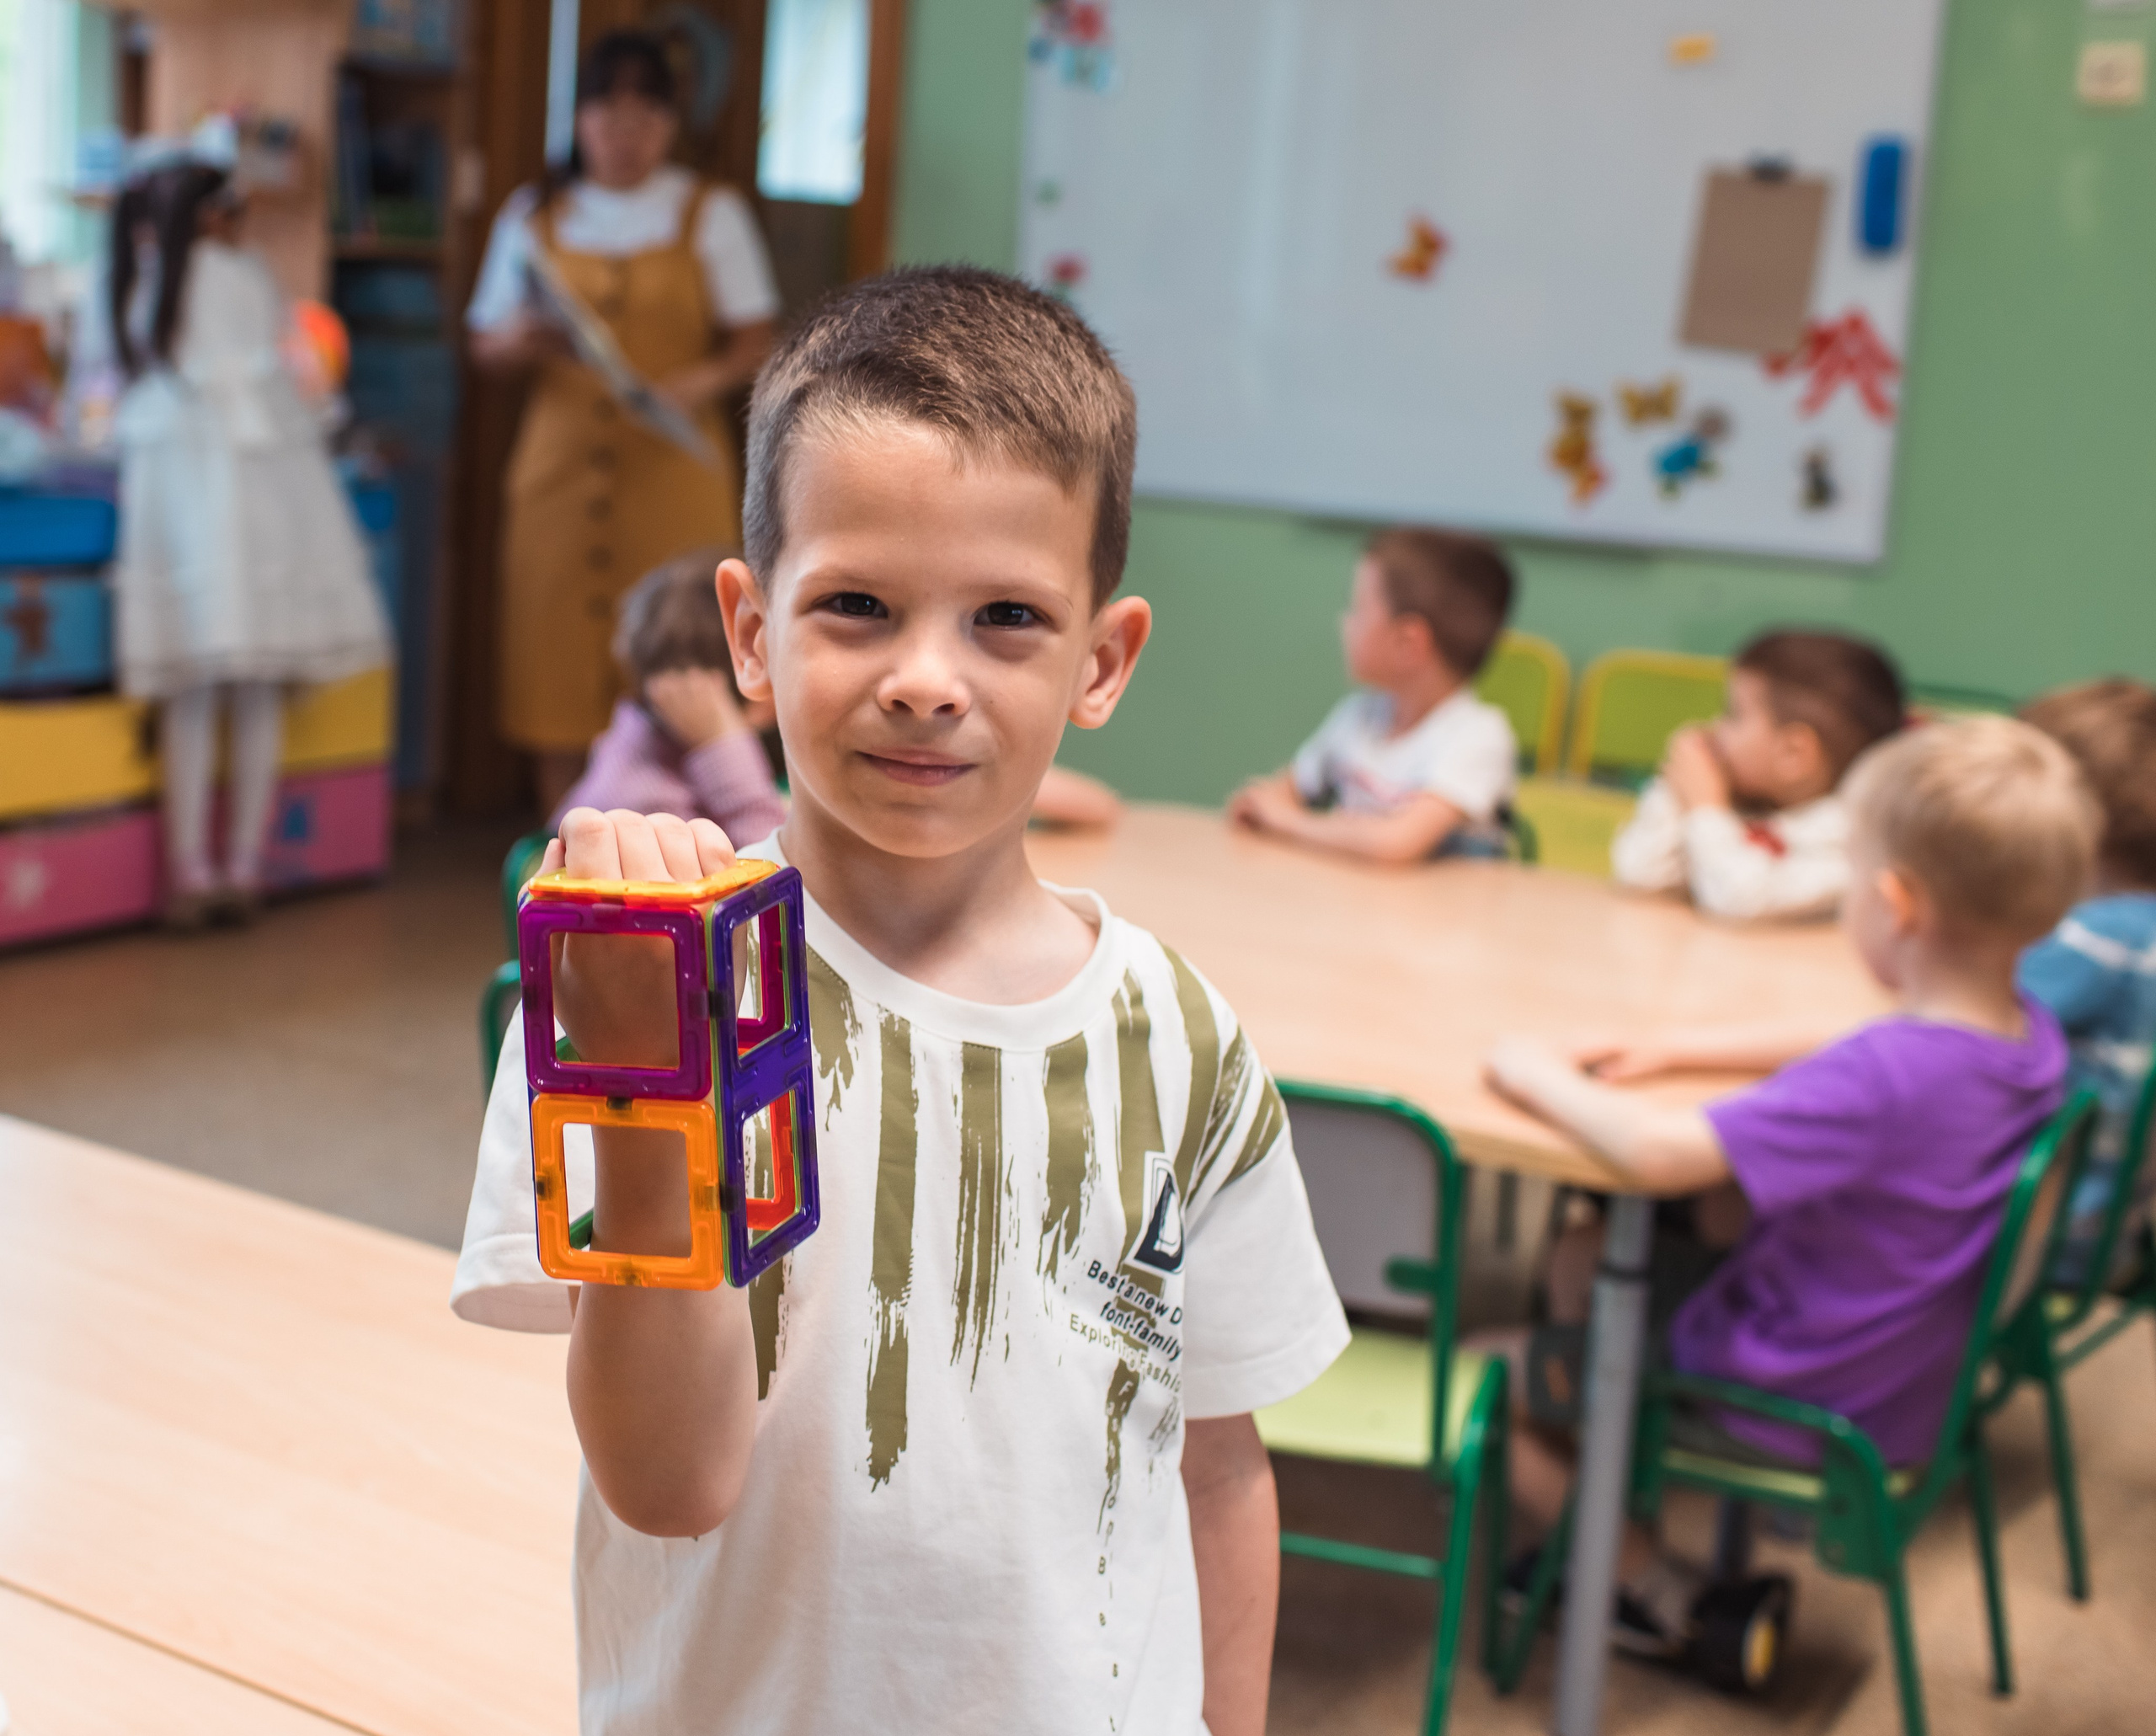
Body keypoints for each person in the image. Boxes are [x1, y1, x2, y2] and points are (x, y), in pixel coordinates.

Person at [451, 267, 1348, 1736]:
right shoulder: (638, 988)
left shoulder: (1179, 1043)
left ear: (1102, 659)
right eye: (857, 606)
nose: (927, 680)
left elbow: (1216, 1463)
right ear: (751, 633)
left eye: (1006, 618)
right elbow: (668, 1482)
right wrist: (645, 1061)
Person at [1483, 716, 2095, 1647]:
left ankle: (1653, 1588)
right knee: (1581, 1254)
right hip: (1897, 1374)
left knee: (1485, 1380)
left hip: (1789, 1384)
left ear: (1892, 903)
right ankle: (1616, 1473)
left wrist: (1532, 1070)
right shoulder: (2022, 1034)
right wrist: (1680, 1046)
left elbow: (1657, 1155)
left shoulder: (1888, 1078)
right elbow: (1864, 1047)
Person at [468, 29, 781, 817]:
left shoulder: (710, 211)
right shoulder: (534, 215)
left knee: (688, 649)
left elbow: (757, 340)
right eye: (609, 108)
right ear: (580, 119)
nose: (626, 128)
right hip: (557, 470)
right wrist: (524, 339)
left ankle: (699, 843)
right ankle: (564, 844)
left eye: (648, 110)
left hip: (674, 468)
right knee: (554, 658)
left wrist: (692, 382)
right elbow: (485, 341)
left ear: (673, 123)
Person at [109, 158, 390, 927]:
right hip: (258, 507)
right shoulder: (230, 275)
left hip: (213, 513)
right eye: (226, 202)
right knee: (252, 690)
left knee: (199, 693)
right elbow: (294, 372)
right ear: (205, 213)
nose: (237, 214)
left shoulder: (153, 286)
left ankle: (197, 870)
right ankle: (236, 867)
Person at [556, 549, 1127, 837]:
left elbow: (1098, 806)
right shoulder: (639, 801)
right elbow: (773, 892)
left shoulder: (649, 746)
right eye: (855, 607)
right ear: (753, 649)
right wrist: (724, 745)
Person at [1227, 527, 1518, 862]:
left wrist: (1289, 822)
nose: (1345, 622)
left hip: (1444, 913)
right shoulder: (1357, 717)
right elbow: (1283, 791)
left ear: (1407, 644)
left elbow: (1396, 844)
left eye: (1359, 609)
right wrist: (1261, 807)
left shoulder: (1479, 735)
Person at [1611, 629, 1906, 921]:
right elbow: (1642, 874)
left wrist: (1705, 807)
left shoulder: (1850, 846)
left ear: (1792, 754)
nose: (1717, 728)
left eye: (1734, 715)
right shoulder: (1745, 804)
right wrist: (1679, 792)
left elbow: (1738, 899)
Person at [2017, 678, 2156, 1280]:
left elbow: (1949, 1021)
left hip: (2036, 1238)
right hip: (2113, 1228)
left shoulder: (2098, 939)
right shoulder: (2140, 926)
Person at [549, 549, 788, 841]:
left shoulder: (637, 743)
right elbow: (773, 873)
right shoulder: (651, 807)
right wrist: (725, 744)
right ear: (753, 667)